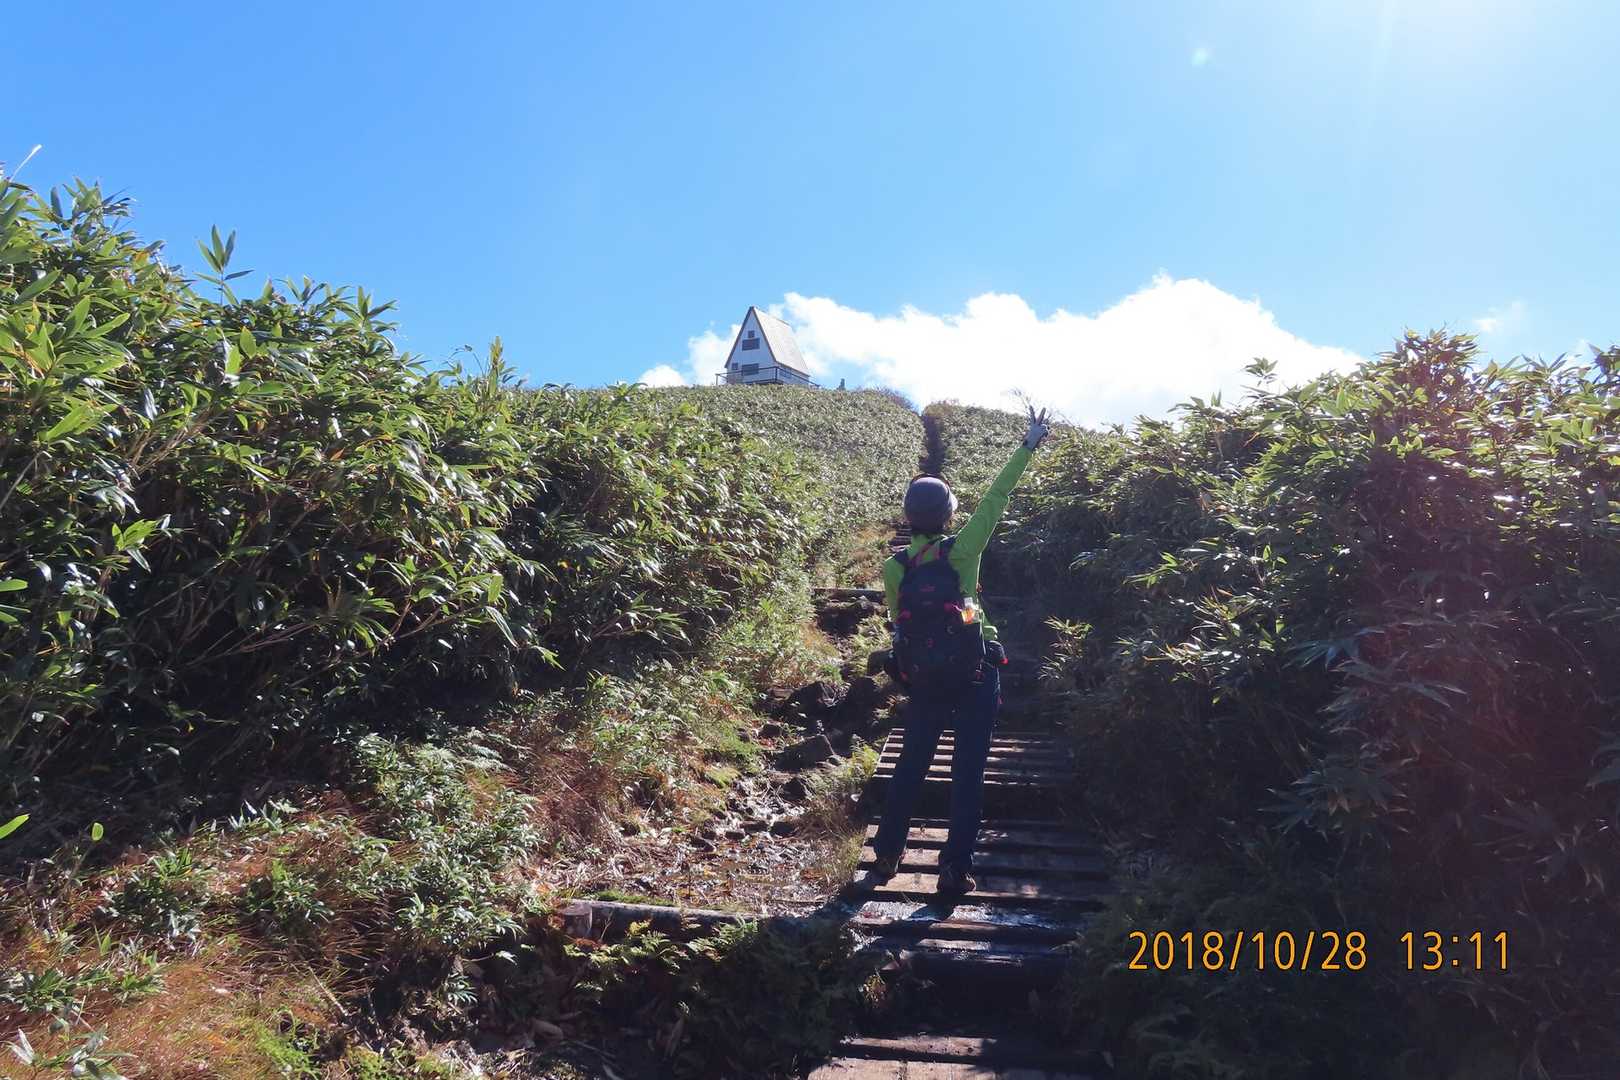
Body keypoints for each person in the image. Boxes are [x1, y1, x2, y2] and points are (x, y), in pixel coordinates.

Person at [869, 407, 1052, 895]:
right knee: (968, 772)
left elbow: (897, 622)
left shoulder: (895, 566)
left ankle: (886, 853)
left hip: (925, 676)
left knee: (911, 764)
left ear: (909, 517)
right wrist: (1028, 445)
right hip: (975, 668)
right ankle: (954, 868)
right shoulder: (964, 549)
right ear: (949, 515)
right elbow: (997, 496)